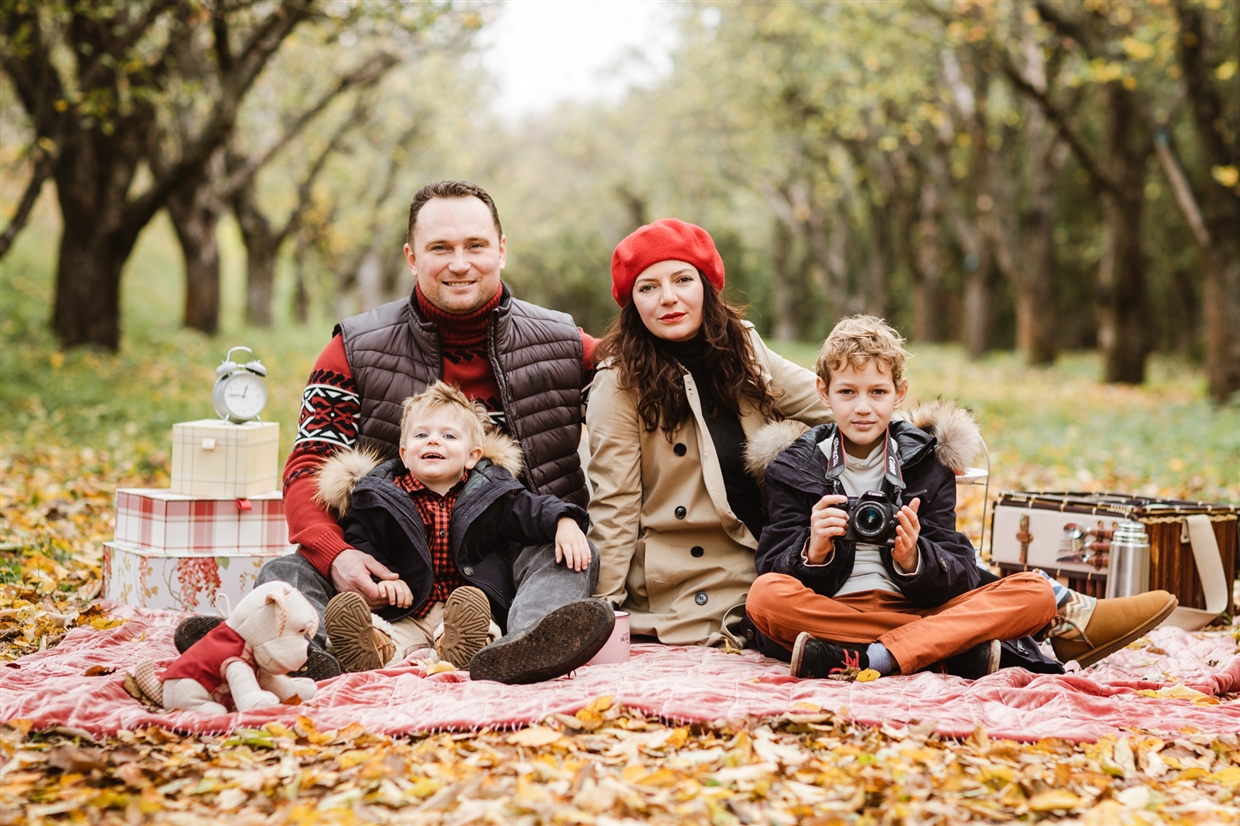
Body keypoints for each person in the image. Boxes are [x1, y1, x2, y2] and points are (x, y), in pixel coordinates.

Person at [249, 180, 613, 685]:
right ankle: (322, 651)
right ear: (411, 257)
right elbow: (309, 465)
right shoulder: (353, 349)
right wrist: (339, 556)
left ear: (501, 251)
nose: (459, 263)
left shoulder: (564, 344)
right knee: (286, 573)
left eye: (476, 246)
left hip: (509, 560)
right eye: (440, 248)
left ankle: (520, 647)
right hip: (386, 568)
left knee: (572, 559)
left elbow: (643, 388)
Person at [745, 316, 1178, 678]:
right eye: (847, 392)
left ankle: (868, 658)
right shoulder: (795, 467)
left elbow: (960, 573)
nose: (863, 408)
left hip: (912, 611)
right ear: (824, 392)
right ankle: (947, 650)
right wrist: (813, 551)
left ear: (899, 393)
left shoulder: (925, 462)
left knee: (1035, 593)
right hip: (834, 609)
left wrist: (915, 559)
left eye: (877, 393)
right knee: (764, 595)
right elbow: (772, 565)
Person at [586, 218, 833, 646]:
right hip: (687, 574)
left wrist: (913, 442)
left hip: (772, 550)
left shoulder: (744, 347)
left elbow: (834, 404)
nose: (668, 299)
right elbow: (614, 504)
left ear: (706, 285)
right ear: (632, 303)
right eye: (648, 287)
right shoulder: (619, 382)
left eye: (683, 279)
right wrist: (602, 614)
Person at [312, 382, 604, 679]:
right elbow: (362, 541)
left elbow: (530, 510)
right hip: (407, 610)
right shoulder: (379, 496)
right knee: (386, 634)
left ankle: (468, 651)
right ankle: (370, 650)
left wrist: (563, 521)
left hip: (467, 608)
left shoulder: (491, 492)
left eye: (448, 436)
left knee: (479, 627)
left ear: (472, 456)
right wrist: (383, 579)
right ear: (403, 452)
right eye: (422, 435)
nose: (433, 442)